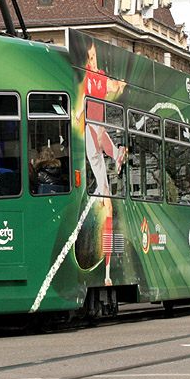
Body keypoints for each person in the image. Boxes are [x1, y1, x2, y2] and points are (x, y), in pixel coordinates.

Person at [77, 41, 127, 286]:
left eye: (94, 56)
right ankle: (114, 158)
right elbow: (83, 102)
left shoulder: (99, 77)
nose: (93, 60)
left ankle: (115, 156)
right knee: (95, 149)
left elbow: (109, 89)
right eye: (91, 57)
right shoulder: (87, 76)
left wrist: (119, 85)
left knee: (98, 138)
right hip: (90, 126)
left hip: (95, 125)